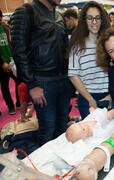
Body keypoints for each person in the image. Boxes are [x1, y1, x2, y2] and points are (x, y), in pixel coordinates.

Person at [11, 0, 73, 146]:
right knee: (48, 128)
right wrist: (31, 85)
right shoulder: (26, 12)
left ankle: (60, 162)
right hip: (42, 82)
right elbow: (18, 51)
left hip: (64, 80)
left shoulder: (58, 16)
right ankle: (43, 166)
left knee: (63, 124)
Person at [67, 1, 111, 120]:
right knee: (92, 135)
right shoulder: (77, 44)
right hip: (87, 97)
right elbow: (73, 75)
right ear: (84, 21)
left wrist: (112, 95)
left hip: (109, 95)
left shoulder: (108, 42)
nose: (94, 22)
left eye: (97, 18)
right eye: (90, 18)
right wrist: (91, 100)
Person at [0, 9, 19, 115]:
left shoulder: (6, 28)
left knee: (18, 81)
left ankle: (19, 102)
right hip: (1, 64)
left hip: (11, 60)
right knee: (4, 85)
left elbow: (12, 43)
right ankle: (10, 106)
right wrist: (2, 62)